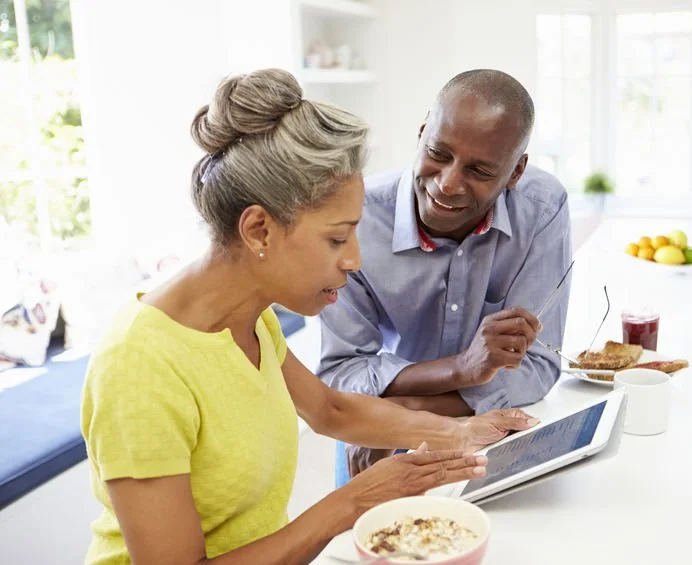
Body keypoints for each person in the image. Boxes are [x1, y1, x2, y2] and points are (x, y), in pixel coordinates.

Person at [79, 68, 538, 565]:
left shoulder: (250, 319)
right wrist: (351, 503)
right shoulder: (140, 367)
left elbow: (330, 410)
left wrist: (464, 433)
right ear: (259, 230)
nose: (354, 260)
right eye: (337, 238)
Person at [317, 70, 572, 486]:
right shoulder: (358, 219)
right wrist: (461, 370)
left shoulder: (542, 209)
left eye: (480, 171)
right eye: (438, 152)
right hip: (375, 439)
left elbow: (538, 366)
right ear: (421, 134)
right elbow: (340, 375)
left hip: (475, 434)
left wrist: (404, 407)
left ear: (515, 172)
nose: (448, 183)